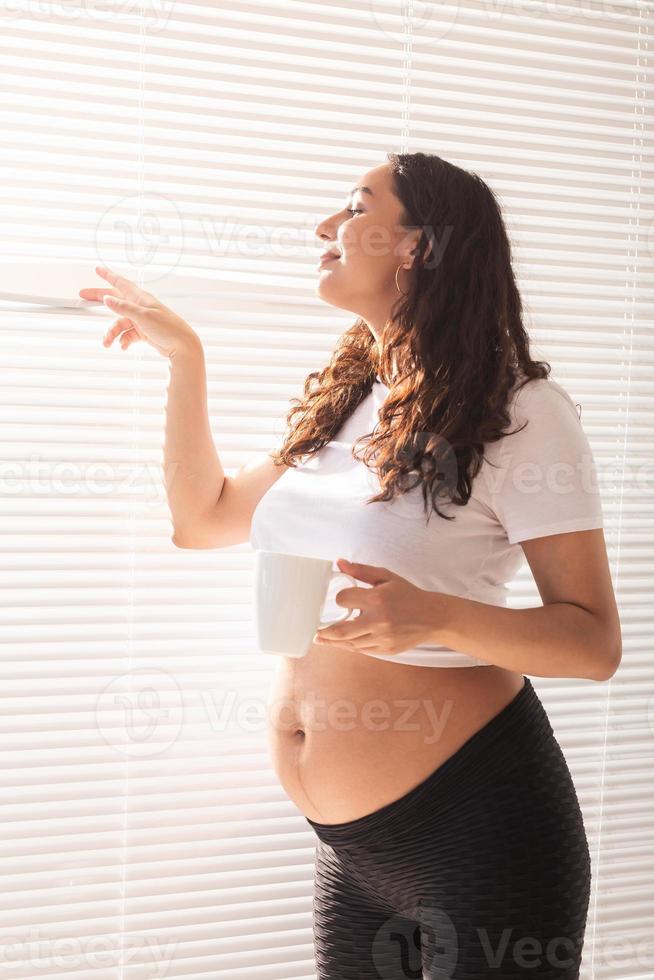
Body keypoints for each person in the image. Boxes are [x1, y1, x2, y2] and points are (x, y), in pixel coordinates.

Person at [80, 151, 622, 980]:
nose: (325, 228)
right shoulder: (352, 402)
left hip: (480, 828)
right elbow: (204, 519)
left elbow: (593, 644)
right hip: (354, 854)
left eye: (355, 206)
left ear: (418, 246)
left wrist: (437, 614)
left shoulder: (521, 413)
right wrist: (186, 360)